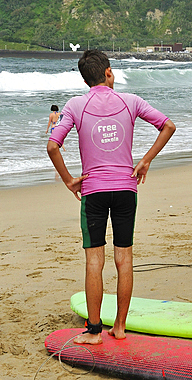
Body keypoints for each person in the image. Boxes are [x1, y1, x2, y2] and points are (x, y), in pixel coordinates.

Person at [47, 50, 176, 344]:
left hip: (93, 191)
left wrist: (69, 181)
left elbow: (53, 146)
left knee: (95, 261)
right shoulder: (131, 101)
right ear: (108, 72)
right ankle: (119, 327)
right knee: (124, 258)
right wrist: (145, 161)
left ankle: (94, 331)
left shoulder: (76, 105)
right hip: (126, 189)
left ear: (84, 79)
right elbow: (168, 125)